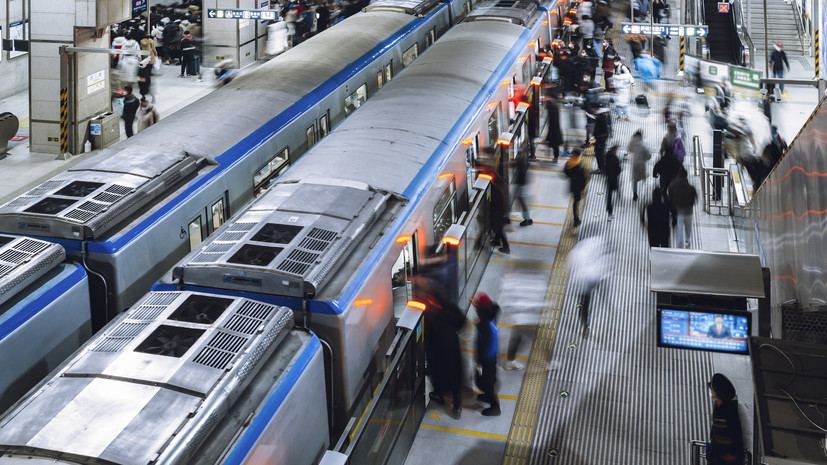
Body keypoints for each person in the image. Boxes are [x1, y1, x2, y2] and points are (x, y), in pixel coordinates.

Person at [422, 279, 466, 419]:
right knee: (454, 379)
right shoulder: (448, 307)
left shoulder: (430, 314)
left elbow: (428, 337)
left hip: (439, 354)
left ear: (431, 297)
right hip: (453, 349)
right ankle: (456, 406)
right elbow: (461, 320)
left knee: (439, 377)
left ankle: (440, 395)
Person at [567, 235, 609, 337]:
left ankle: (585, 324)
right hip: (592, 280)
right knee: (589, 301)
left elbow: (572, 265)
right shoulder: (599, 246)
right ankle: (586, 323)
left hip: (584, 282)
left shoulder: (579, 250)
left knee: (584, 304)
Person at [471, 292, 501, 416]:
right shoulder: (490, 315)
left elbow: (483, 343)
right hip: (492, 355)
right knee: (488, 378)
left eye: (477, 307)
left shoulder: (484, 324)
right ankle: (488, 396)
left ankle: (494, 406)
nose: (475, 310)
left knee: (484, 381)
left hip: (487, 357)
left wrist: (479, 361)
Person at [707, 373, 744, 465]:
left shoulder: (727, 412)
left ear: (716, 393)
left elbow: (734, 436)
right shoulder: (720, 407)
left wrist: (730, 455)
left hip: (725, 460)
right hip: (719, 457)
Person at [668, 166, 697, 248]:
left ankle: (679, 247)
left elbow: (670, 199)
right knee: (688, 230)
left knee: (679, 231)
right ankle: (687, 243)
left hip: (678, 212)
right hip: (689, 212)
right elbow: (693, 201)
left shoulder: (672, 186)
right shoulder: (691, 188)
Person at [564, 149, 587, 227]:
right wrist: (582, 187)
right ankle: (576, 220)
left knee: (576, 202)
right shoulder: (578, 165)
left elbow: (566, 173)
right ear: (578, 155)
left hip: (573, 185)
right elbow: (583, 178)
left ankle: (576, 219)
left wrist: (572, 176)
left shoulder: (568, 163)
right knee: (576, 202)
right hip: (578, 187)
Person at [628, 130, 651, 201]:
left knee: (634, 180)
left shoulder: (632, 141)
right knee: (643, 177)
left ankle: (635, 193)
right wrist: (645, 158)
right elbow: (648, 156)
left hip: (634, 163)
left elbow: (629, 149)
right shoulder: (642, 144)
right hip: (641, 164)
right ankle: (644, 191)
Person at [513, 151, 533, 226]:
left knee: (522, 202)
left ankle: (527, 219)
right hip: (521, 185)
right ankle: (528, 218)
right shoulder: (524, 162)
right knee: (521, 201)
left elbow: (515, 164)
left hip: (521, 185)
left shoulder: (522, 163)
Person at [545, 92, 565, 163]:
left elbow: (552, 120)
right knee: (555, 145)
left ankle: (556, 157)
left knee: (555, 145)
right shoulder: (554, 105)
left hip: (554, 130)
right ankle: (556, 156)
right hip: (554, 129)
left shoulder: (552, 107)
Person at [605, 145, 621, 220]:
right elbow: (618, 170)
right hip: (614, 178)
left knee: (609, 194)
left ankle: (609, 210)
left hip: (609, 178)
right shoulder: (615, 158)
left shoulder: (607, 156)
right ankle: (610, 211)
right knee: (612, 193)